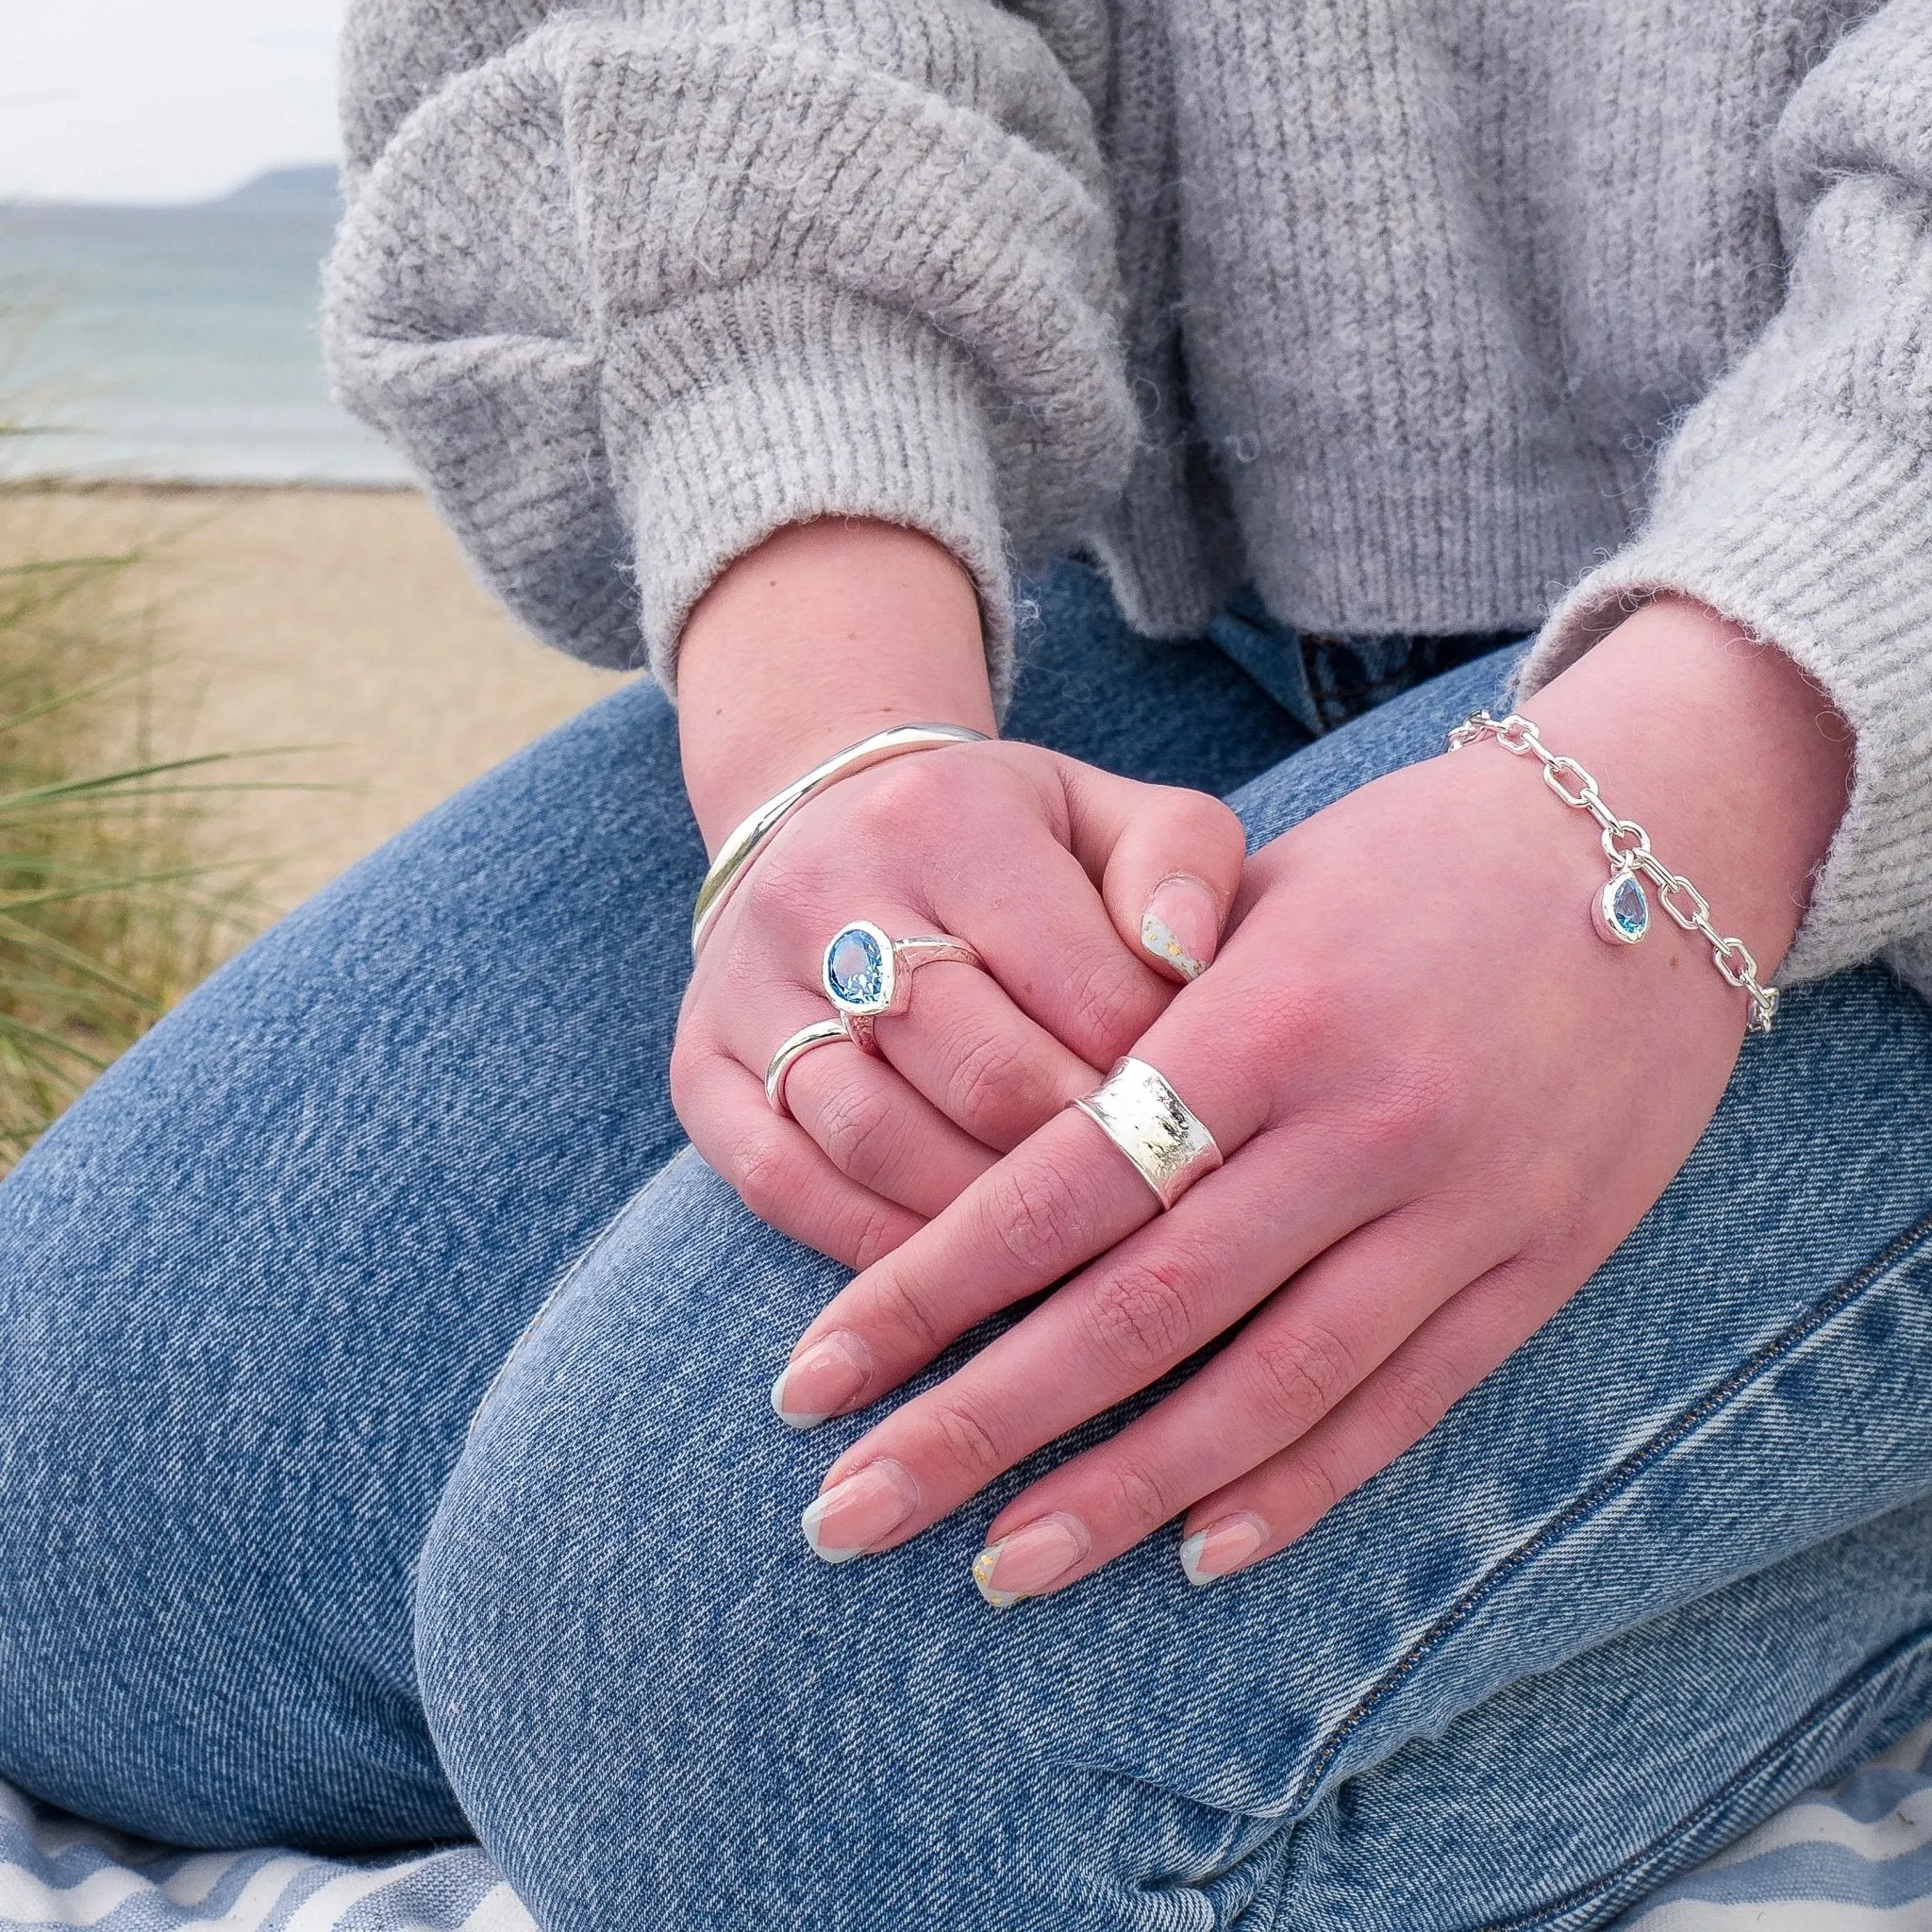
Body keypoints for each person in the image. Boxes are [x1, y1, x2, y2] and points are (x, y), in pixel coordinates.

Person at [3, 2, 1931, 1926]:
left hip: (1849, 700)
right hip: (1222, 613)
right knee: (68, 1525)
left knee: (742, 1730)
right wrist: (836, 739)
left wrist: (1683, 786)